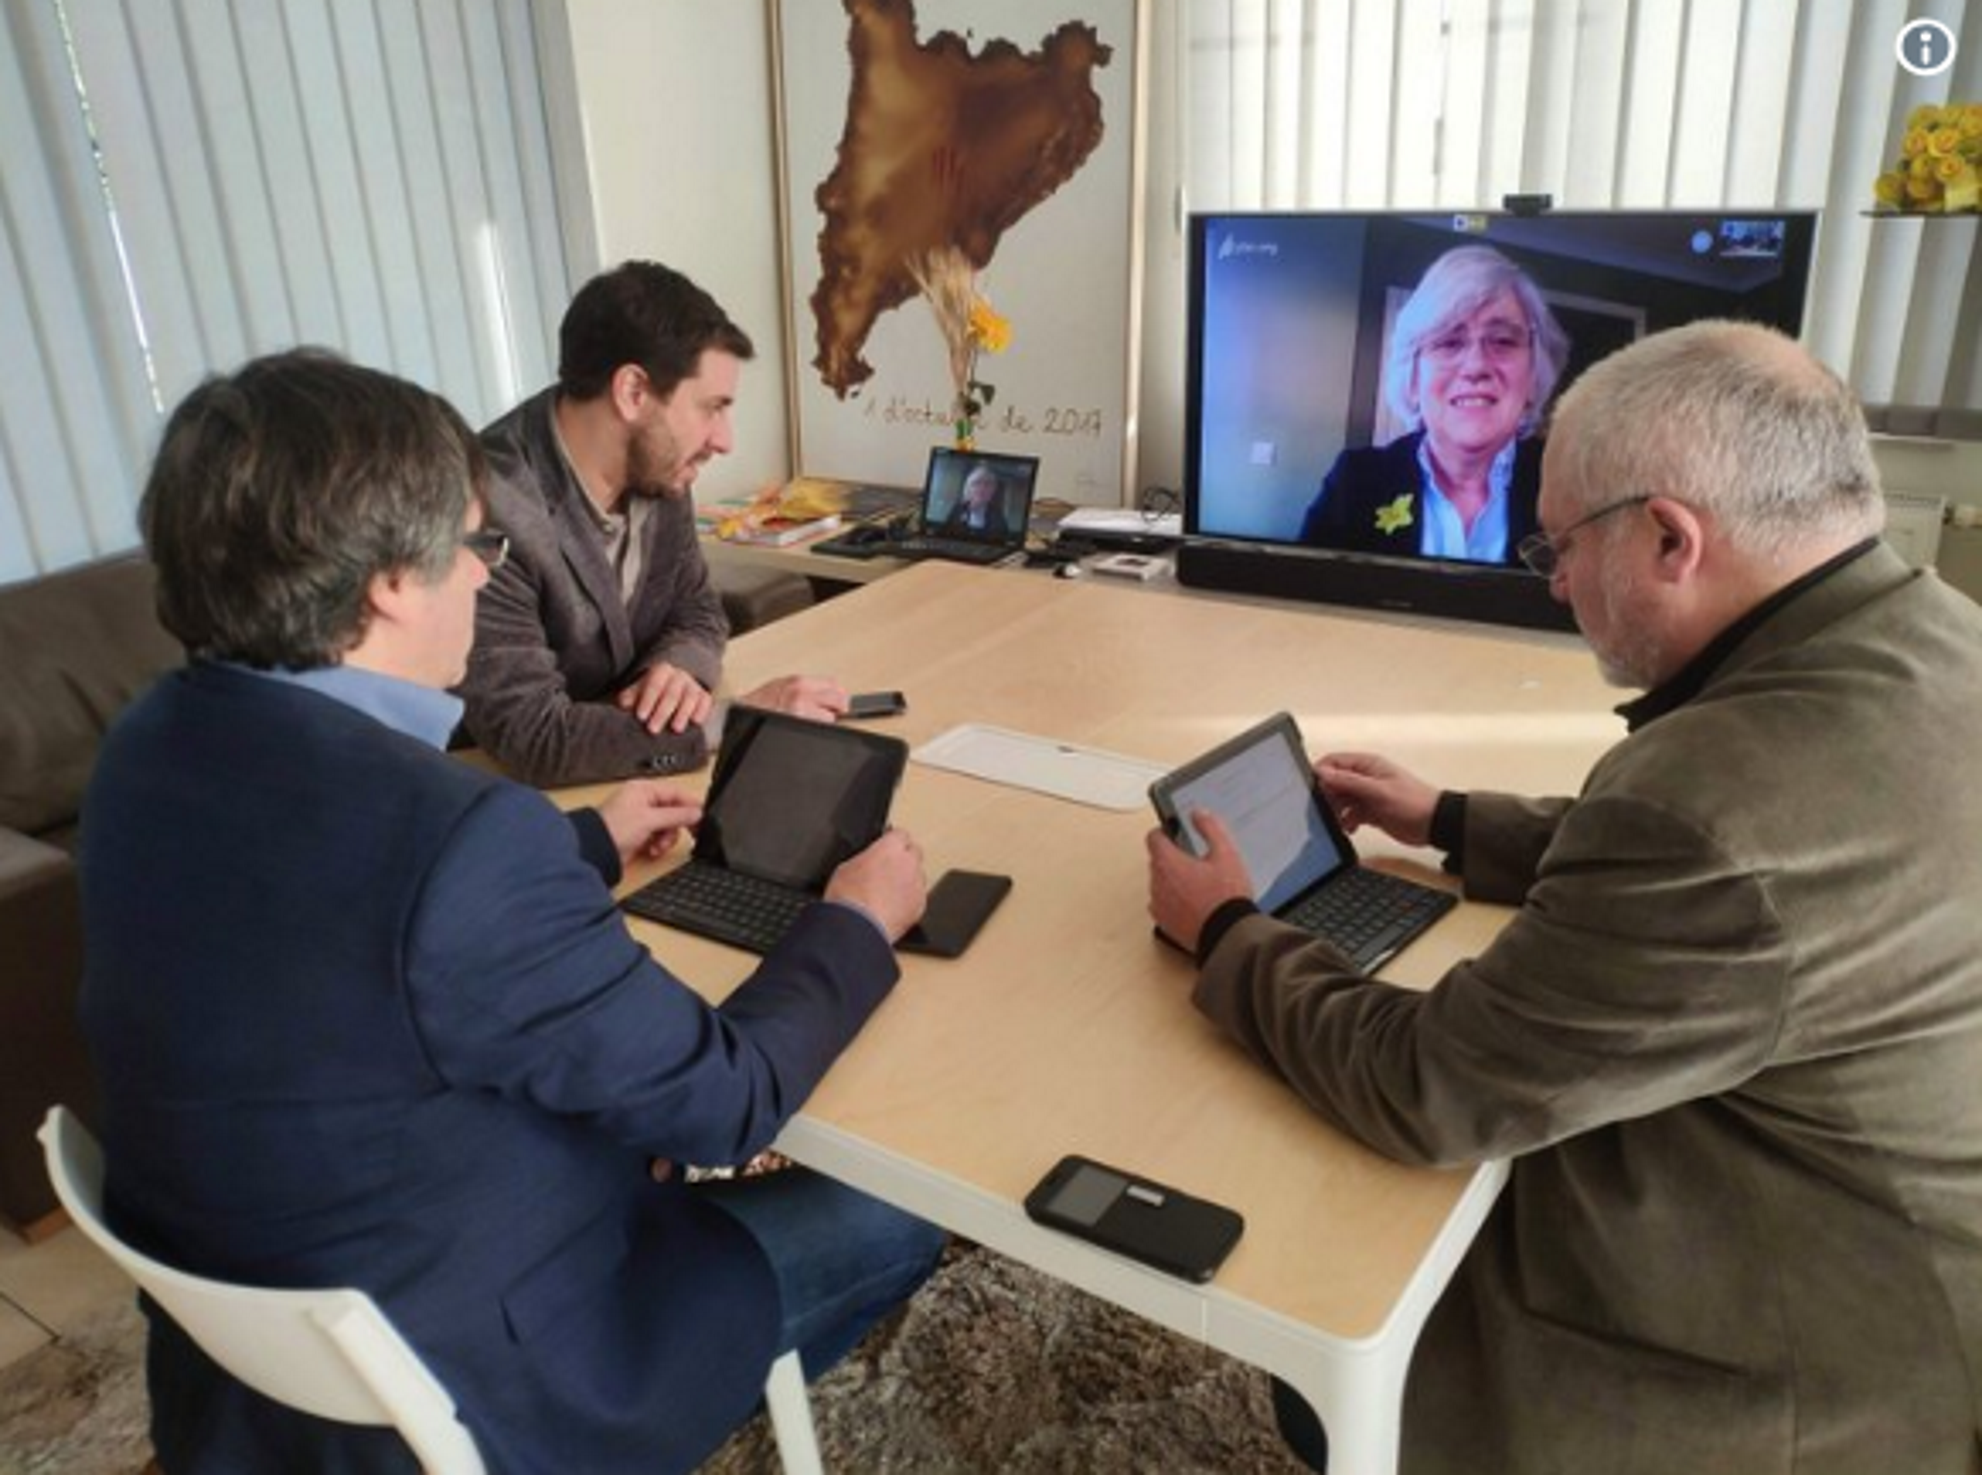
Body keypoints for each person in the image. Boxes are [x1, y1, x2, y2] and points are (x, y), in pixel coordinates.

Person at [80, 349, 946, 1475]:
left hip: (237, 1370)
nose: (483, 579)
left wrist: (584, 839)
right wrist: (854, 921)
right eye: (469, 545)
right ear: (390, 581)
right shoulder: (460, 841)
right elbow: (727, 1103)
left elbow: (332, 920)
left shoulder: (146, 750)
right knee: (895, 1217)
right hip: (465, 1379)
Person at [1148, 321, 1982, 1474]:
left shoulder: (1707, 805)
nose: (1557, 588)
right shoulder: (1932, 632)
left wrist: (1228, 929)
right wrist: (1447, 818)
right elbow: (1745, 884)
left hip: (1795, 1372)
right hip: (1911, 1261)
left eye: (1556, 551)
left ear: (1668, 538)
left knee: (1322, 1305)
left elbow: (1426, 1084)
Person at [459, 260, 848, 787]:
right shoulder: (486, 507)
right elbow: (536, 739)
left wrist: (675, 671)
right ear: (634, 392)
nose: (724, 440)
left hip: (626, 783)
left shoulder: (658, 469)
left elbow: (697, 608)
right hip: (495, 797)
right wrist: (738, 722)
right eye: (712, 408)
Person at [1299, 245, 1569, 564]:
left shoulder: (1572, 487)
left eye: (1503, 341)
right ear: (1413, 378)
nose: (1476, 366)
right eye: (1449, 342)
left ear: (1534, 376)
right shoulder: (1356, 480)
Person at [941, 462, 1015, 536]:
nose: (982, 488)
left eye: (987, 484)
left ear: (993, 491)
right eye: (977, 483)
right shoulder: (957, 509)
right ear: (968, 488)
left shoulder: (998, 516)